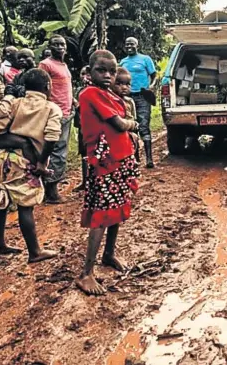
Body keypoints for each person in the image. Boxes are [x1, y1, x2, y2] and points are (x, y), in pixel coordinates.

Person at [0, 69, 62, 263]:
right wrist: (41, 162)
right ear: (48, 87)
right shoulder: (51, 108)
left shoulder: (15, 104)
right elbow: (51, 137)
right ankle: (35, 252)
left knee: (1, 202)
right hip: (25, 162)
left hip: (2, 158)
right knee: (26, 207)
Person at [77, 50, 141, 295]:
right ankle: (86, 274)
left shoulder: (109, 94)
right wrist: (132, 125)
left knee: (118, 210)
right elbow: (120, 123)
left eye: (112, 71)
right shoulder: (91, 94)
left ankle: (109, 254)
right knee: (102, 215)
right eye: (101, 70)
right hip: (106, 164)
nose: (107, 75)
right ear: (89, 71)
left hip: (120, 160)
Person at [38, 35, 75, 203]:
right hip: (55, 113)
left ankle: (53, 184)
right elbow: (41, 87)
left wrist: (73, 100)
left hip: (66, 112)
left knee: (61, 150)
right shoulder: (46, 64)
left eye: (62, 44)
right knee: (57, 151)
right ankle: (51, 191)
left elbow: (64, 87)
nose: (60, 47)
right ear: (49, 46)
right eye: (56, 44)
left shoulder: (63, 64)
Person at [120, 37, 157, 169]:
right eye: (127, 44)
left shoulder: (145, 59)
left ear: (137, 45)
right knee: (131, 126)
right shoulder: (123, 62)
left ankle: (149, 159)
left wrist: (151, 86)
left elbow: (154, 75)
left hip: (143, 96)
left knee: (144, 125)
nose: (129, 46)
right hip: (127, 98)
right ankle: (135, 158)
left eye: (132, 44)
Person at [112, 67, 140, 162]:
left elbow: (134, 119)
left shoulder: (130, 101)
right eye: (119, 84)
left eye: (127, 84)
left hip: (129, 134)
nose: (124, 87)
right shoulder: (110, 101)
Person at [73, 66, 91, 193]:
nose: (85, 77)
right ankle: (85, 181)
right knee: (84, 153)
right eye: (82, 74)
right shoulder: (79, 91)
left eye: (88, 74)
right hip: (82, 126)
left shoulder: (97, 90)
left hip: (93, 127)